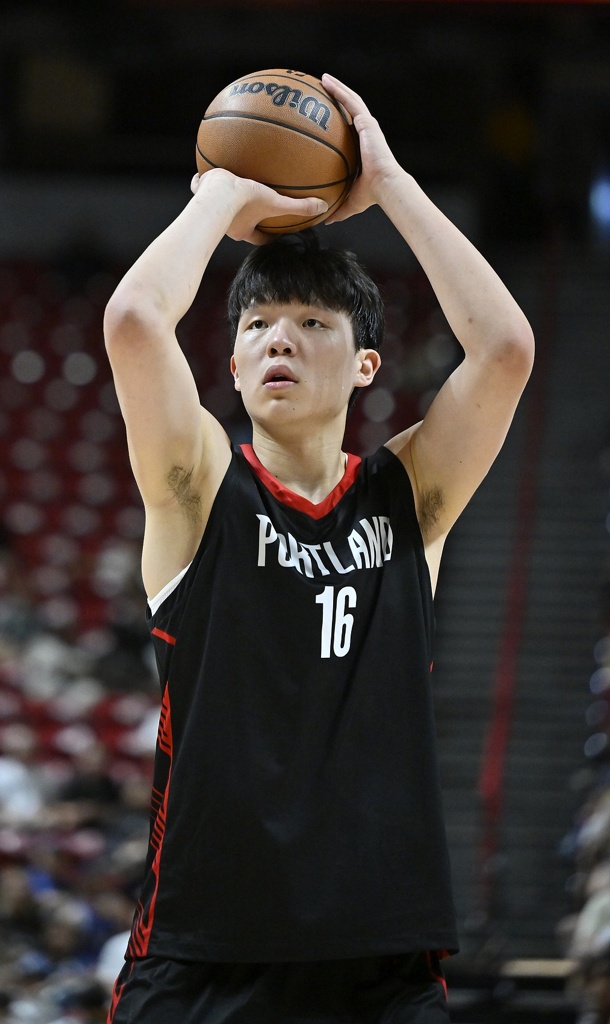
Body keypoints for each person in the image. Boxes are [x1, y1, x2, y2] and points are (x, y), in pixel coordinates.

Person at [102, 74, 535, 1024]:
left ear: (366, 363)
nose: (278, 342)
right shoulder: (201, 489)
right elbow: (133, 323)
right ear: (231, 363)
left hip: (377, 961)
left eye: (311, 324)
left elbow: (505, 349)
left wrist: (390, 185)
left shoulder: (405, 497)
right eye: (257, 326)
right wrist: (222, 191)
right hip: (204, 952)